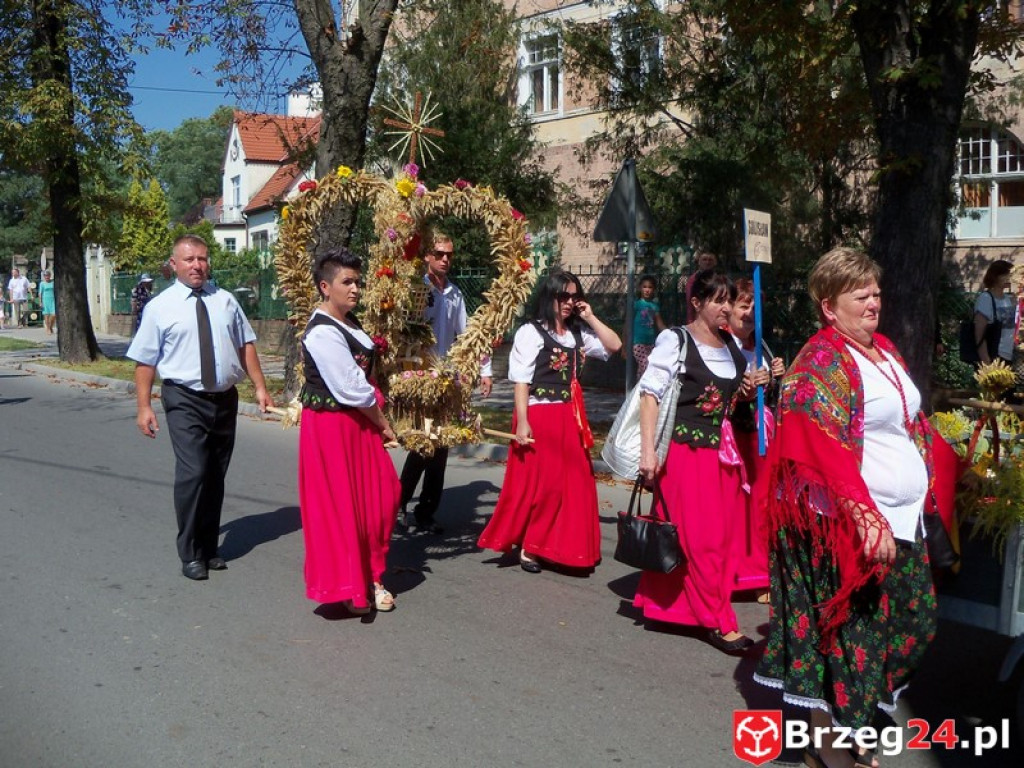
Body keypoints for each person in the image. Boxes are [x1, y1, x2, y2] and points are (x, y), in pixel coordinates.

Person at [753, 248, 937, 768]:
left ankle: (849, 721)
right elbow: (815, 441)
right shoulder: (819, 361)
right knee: (858, 633)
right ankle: (841, 745)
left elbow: (909, 423)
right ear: (829, 306)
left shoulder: (885, 351)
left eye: (876, 292)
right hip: (845, 522)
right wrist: (862, 513)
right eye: (861, 295)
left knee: (916, 623)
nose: (874, 302)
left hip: (903, 519)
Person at [128, 234, 274, 581]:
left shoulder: (225, 300)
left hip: (224, 399)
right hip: (184, 398)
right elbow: (145, 361)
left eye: (203, 259)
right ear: (174, 264)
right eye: (189, 259)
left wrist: (260, 387)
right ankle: (191, 551)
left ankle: (210, 547)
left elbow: (246, 344)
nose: (197, 265)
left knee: (214, 474)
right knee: (193, 472)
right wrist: (144, 406)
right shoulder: (159, 307)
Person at [635, 270, 755, 652]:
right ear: (697, 302)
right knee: (702, 542)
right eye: (718, 300)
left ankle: (673, 608)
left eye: (728, 300)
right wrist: (649, 451)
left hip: (722, 458)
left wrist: (747, 391)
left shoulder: (730, 343)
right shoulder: (676, 340)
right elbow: (650, 395)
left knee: (719, 540)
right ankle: (718, 620)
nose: (725, 308)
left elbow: (730, 398)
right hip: (685, 456)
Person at [478, 270, 621, 573]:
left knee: (577, 483)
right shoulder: (531, 332)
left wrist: (590, 316)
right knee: (546, 485)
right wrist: (522, 422)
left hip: (570, 416)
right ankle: (530, 546)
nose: (569, 302)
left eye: (574, 296)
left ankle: (562, 547)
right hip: (540, 415)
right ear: (550, 297)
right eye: (563, 296)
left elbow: (615, 346)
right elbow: (521, 380)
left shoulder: (578, 334)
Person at [298, 248, 401, 614]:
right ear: (325, 287)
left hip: (357, 422)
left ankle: (369, 574)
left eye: (358, 281)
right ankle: (356, 584)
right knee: (344, 507)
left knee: (382, 497)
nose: (356, 289)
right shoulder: (322, 332)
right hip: (333, 427)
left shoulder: (348, 321)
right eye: (347, 282)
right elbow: (351, 387)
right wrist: (384, 423)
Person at [399, 228, 492, 535]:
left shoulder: (455, 294)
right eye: (439, 254)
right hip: (418, 377)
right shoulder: (416, 289)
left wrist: (485, 370)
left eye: (449, 255)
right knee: (422, 443)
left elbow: (466, 336)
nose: (445, 260)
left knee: (441, 447)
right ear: (427, 256)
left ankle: (426, 512)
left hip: (446, 378)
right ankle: (398, 504)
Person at [726, 278, 785, 599]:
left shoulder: (760, 345)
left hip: (761, 436)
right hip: (732, 438)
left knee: (761, 504)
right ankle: (731, 574)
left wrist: (775, 378)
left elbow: (770, 395)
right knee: (734, 505)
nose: (750, 313)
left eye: (755, 307)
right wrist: (742, 390)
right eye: (744, 305)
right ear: (729, 308)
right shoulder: (720, 344)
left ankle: (759, 575)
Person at [973, 259, 1015, 367]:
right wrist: (987, 363)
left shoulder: (1008, 299)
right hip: (993, 357)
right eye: (1005, 275)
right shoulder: (986, 298)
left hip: (1008, 356)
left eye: (1010, 275)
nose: (1009, 278)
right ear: (995, 276)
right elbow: (979, 334)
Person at [631, 275, 666, 378]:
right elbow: (628, 323)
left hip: (650, 342)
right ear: (640, 288)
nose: (647, 290)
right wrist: (625, 343)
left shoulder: (654, 306)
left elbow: (659, 324)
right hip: (638, 342)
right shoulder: (636, 304)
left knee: (648, 366)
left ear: (653, 289)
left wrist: (668, 332)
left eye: (650, 287)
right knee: (645, 364)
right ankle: (641, 385)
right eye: (644, 287)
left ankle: (640, 384)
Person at [684, 251, 718, 323]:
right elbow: (690, 301)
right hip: (698, 317)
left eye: (710, 260)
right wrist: (691, 319)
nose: (707, 262)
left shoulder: (718, 279)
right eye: (704, 259)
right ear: (699, 262)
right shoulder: (693, 279)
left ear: (714, 262)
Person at [38, 270, 56, 335]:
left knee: (54, 315)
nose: (47, 277)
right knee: (46, 315)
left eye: (48, 275)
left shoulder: (53, 282)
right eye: (45, 276)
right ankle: (48, 329)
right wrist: (40, 302)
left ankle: (51, 326)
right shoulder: (42, 283)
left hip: (52, 300)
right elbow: (40, 293)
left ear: (50, 276)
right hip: (45, 300)